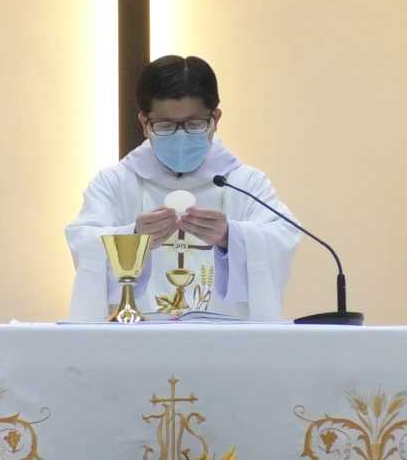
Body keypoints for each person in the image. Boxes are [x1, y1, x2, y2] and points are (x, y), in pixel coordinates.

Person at [65, 55, 301, 321]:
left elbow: (282, 239)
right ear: (144, 124)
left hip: (226, 342)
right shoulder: (114, 183)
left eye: (194, 124)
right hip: (136, 342)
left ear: (215, 119)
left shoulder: (246, 183)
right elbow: (83, 243)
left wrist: (230, 237)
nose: (180, 135)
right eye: (165, 125)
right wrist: (133, 238)